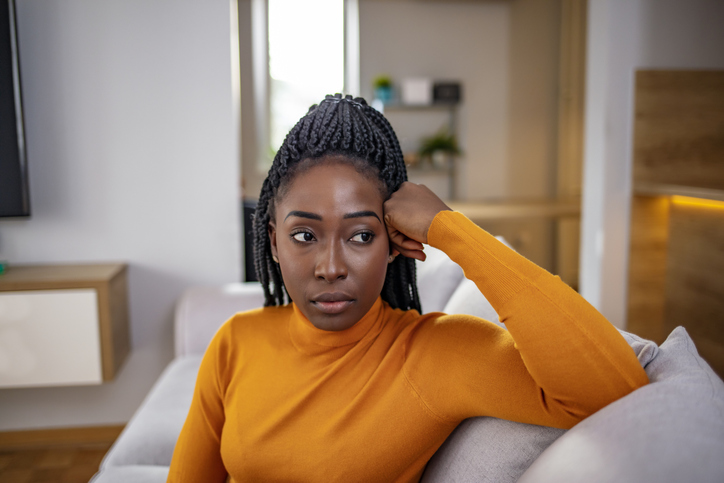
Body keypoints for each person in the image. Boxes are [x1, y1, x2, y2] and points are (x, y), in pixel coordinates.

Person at [167, 94, 648, 482]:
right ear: (273, 242)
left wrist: (452, 230)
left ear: (394, 243)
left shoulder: (433, 356)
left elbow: (618, 391)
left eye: (360, 235)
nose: (330, 266)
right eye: (304, 236)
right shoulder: (235, 342)